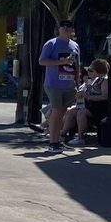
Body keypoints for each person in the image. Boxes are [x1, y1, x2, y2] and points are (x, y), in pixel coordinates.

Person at [38, 19, 81, 152]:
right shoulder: (51, 44)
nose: (66, 28)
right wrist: (60, 62)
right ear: (59, 28)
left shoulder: (75, 45)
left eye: (69, 26)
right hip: (53, 83)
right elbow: (42, 61)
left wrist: (77, 80)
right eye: (63, 26)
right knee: (56, 111)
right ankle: (53, 142)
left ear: (72, 29)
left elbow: (77, 64)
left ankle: (57, 140)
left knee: (62, 112)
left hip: (69, 84)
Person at [62, 59, 111, 144]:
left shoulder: (105, 80)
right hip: (91, 105)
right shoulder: (95, 79)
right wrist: (86, 87)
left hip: (101, 107)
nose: (89, 73)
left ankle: (80, 138)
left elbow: (105, 96)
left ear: (98, 71)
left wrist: (88, 96)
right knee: (71, 112)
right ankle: (62, 134)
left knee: (81, 113)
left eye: (91, 70)